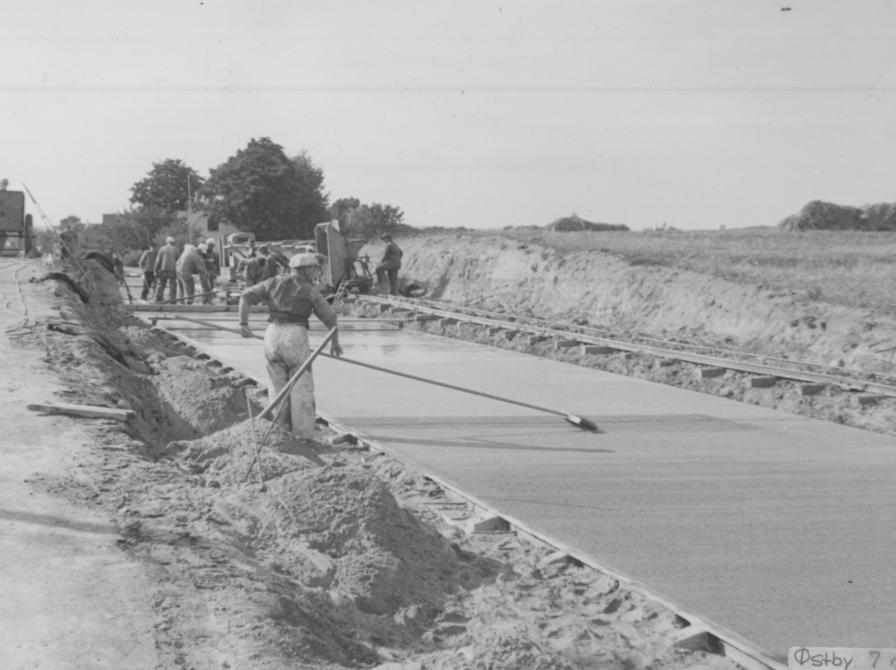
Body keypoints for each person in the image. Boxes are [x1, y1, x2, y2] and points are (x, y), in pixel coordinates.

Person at [238, 253, 343, 440]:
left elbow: (245, 296)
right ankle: (302, 435)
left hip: (272, 335)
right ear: (306, 270)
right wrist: (334, 341)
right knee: (301, 386)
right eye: (312, 269)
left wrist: (243, 324)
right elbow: (329, 316)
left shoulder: (272, 283)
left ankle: (280, 432)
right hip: (295, 335)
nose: (314, 272)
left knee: (277, 386)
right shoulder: (308, 290)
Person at [154, 236, 179, 303]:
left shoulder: (162, 249)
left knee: (161, 284)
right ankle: (172, 299)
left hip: (163, 269)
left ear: (167, 241)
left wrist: (156, 269)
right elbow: (178, 260)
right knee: (173, 285)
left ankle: (158, 298)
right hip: (172, 269)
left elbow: (158, 260)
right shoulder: (175, 249)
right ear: (172, 242)